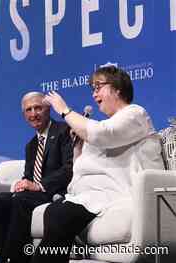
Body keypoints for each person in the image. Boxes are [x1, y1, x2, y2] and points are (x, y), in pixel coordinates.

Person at [30, 66, 165, 263]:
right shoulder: (107, 124)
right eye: (92, 89)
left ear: (117, 89)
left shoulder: (135, 114)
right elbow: (82, 167)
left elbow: (103, 134)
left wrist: (65, 111)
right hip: (93, 194)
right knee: (54, 212)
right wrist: (78, 147)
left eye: (98, 87)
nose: (94, 94)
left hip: (116, 193)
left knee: (60, 216)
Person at [0, 91, 73, 263]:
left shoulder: (64, 131)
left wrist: (39, 185)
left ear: (48, 109)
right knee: (3, 199)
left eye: (38, 108)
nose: (33, 114)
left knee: (20, 201)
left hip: (56, 191)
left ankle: (18, 258)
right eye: (28, 110)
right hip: (36, 193)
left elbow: (69, 168)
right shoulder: (31, 145)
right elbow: (28, 175)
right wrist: (22, 183)